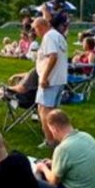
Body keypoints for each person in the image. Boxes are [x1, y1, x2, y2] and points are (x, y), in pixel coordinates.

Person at [33, 110, 95, 188]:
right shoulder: (86, 136)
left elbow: (53, 182)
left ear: (54, 129)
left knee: (30, 182)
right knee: (46, 170)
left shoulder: (63, 149)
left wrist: (43, 167)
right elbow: (76, 161)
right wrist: (53, 163)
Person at [32, 17, 68, 148]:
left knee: (44, 111)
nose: (35, 33)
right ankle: (57, 138)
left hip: (50, 81)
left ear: (40, 27)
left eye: (35, 29)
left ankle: (50, 141)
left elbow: (53, 56)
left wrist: (44, 77)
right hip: (58, 79)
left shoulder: (49, 37)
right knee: (53, 111)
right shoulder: (58, 35)